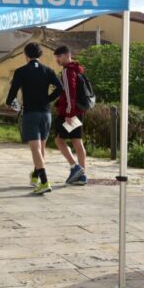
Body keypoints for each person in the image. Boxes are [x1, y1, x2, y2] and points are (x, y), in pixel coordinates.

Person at [5, 42, 63, 195]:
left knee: (35, 149)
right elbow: (61, 88)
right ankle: (36, 176)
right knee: (41, 148)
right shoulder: (48, 70)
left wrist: (19, 107)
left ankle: (44, 181)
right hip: (46, 114)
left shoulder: (21, 72)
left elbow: (10, 97)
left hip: (30, 114)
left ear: (26, 55)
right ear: (40, 54)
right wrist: (48, 99)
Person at [54, 46, 89, 185]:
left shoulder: (67, 71)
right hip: (79, 112)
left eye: (59, 56)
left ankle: (75, 167)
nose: (57, 59)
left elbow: (70, 93)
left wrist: (69, 113)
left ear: (67, 55)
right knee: (77, 141)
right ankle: (82, 175)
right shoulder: (77, 69)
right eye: (56, 57)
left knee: (59, 140)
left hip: (69, 113)